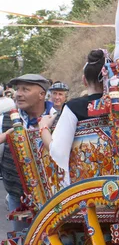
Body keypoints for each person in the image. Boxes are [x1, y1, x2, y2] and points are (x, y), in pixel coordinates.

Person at [0, 74, 76, 245]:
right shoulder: (7, 118)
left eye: (25, 89)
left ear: (42, 94)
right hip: (17, 195)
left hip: (52, 196)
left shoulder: (60, 117)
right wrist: (9, 134)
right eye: (16, 89)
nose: (18, 94)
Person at [39, 49, 105, 186]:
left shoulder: (74, 107)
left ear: (84, 80)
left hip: (87, 186)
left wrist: (43, 127)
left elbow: (57, 152)